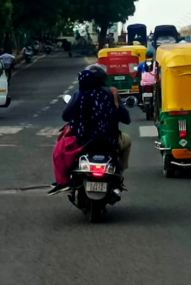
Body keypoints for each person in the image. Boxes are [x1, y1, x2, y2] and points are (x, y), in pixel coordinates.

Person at [49, 65, 133, 195]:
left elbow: (66, 116)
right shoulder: (111, 93)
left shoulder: (79, 94)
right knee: (127, 141)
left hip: (83, 141)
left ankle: (63, 181)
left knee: (59, 150)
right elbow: (126, 119)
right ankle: (119, 173)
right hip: (109, 139)